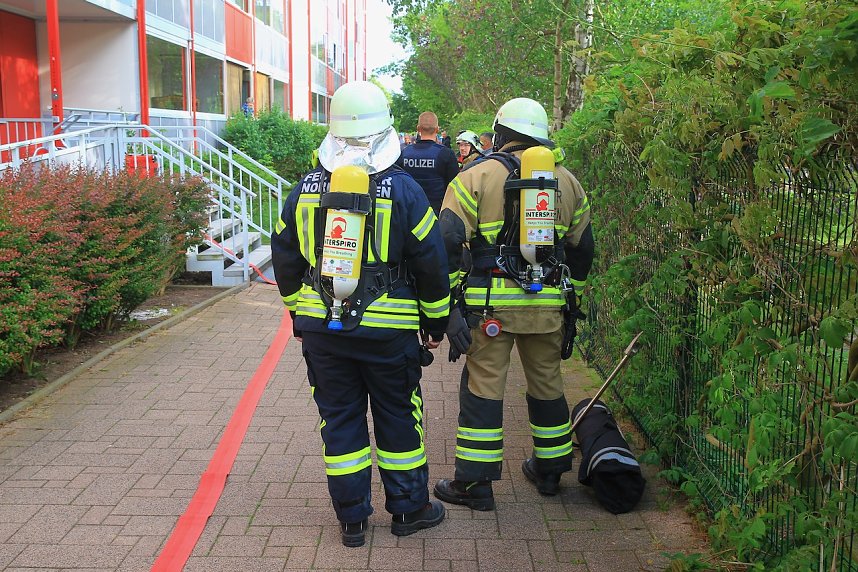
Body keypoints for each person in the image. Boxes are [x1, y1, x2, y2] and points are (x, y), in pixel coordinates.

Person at [272, 80, 450, 547]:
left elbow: (286, 258)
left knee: (339, 419)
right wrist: (434, 323)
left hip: (322, 331)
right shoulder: (405, 190)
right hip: (388, 333)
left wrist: (298, 313)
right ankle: (410, 511)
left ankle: (352, 521)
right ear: (385, 131)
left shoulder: (303, 190)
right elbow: (431, 262)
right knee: (397, 414)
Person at [433, 97, 594, 511]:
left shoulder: (474, 177)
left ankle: (475, 485)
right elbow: (583, 251)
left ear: (500, 134)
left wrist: (450, 304)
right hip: (548, 305)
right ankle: (550, 472)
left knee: (484, 387)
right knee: (547, 383)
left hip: (490, 308)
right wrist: (567, 296)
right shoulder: (569, 183)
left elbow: (448, 243)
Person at [396, 112, 459, 214]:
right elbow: (454, 186)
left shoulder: (404, 153)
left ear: (418, 128)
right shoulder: (446, 154)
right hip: (436, 212)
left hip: (409, 212)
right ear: (437, 129)